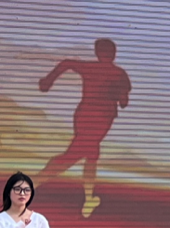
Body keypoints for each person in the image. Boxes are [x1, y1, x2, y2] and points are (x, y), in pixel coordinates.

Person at [37, 38, 132, 218]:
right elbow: (124, 102)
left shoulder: (90, 68)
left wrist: (48, 80)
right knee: (75, 154)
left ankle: (89, 198)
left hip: (83, 114)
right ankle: (30, 185)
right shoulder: (119, 74)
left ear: (98, 53)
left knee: (91, 154)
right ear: (114, 54)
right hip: (101, 118)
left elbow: (67, 63)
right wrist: (117, 94)